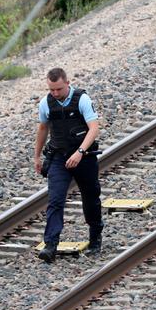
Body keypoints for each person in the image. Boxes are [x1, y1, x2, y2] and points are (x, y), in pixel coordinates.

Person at [33, 68, 104, 262]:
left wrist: (80, 152)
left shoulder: (82, 100)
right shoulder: (45, 103)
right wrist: (37, 156)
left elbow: (94, 128)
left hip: (84, 156)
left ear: (67, 83)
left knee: (91, 198)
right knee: (55, 200)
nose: (55, 93)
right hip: (59, 157)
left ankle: (95, 234)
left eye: (58, 89)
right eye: (51, 89)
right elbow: (42, 129)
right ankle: (50, 244)